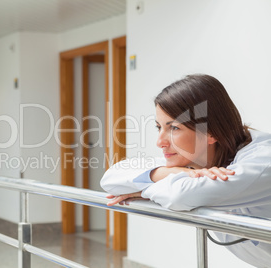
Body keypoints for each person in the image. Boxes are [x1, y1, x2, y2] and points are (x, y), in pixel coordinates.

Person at [100, 74, 271, 267]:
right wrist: (168, 174)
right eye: (159, 127)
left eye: (174, 128)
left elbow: (180, 196)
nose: (160, 142)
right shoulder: (199, 161)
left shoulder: (262, 161)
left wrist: (143, 191)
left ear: (211, 132)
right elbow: (112, 177)